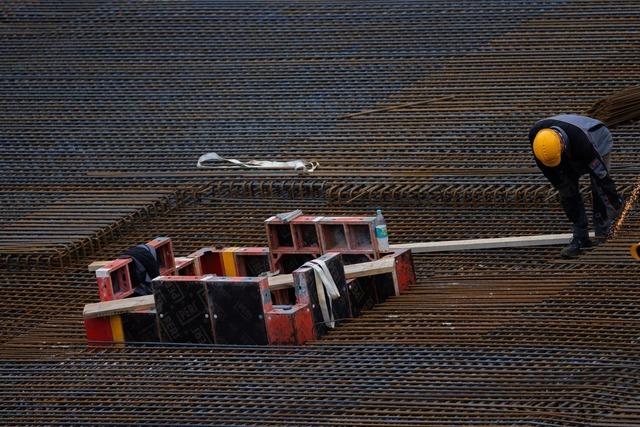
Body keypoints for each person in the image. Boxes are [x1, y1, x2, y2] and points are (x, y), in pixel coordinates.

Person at [529, 114, 624, 258]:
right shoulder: (537, 138)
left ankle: (603, 234)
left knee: (599, 188)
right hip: (567, 151)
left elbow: (602, 177)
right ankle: (580, 237)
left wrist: (615, 203)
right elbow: (551, 173)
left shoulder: (582, 142)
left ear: (562, 144)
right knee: (567, 191)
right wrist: (563, 187)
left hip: (597, 139)